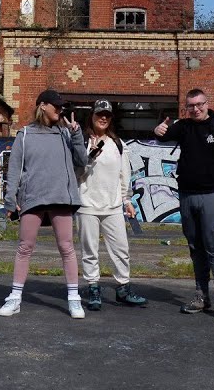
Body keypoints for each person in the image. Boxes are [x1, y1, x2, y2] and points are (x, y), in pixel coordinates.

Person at [154, 88, 214, 321]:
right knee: (195, 247)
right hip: (187, 195)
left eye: (199, 104)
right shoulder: (184, 127)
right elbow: (163, 135)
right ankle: (201, 296)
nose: (195, 109)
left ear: (207, 104)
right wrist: (158, 129)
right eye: (190, 106)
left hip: (213, 194)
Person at [0, 88, 89, 319]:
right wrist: (10, 200)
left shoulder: (66, 134)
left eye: (61, 106)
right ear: (43, 106)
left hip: (61, 197)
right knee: (24, 247)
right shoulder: (25, 135)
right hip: (33, 198)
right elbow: (15, 169)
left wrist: (77, 133)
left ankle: (74, 299)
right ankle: (15, 297)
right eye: (56, 105)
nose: (60, 110)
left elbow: (82, 161)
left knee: (67, 247)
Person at [76, 99, 148, 311]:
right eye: (100, 114)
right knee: (90, 250)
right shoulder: (82, 142)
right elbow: (76, 174)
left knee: (121, 249)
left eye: (107, 114)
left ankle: (123, 288)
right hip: (87, 205)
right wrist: (89, 159)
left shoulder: (118, 145)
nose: (103, 118)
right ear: (92, 116)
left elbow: (124, 176)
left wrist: (127, 201)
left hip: (113, 206)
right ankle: (93, 288)